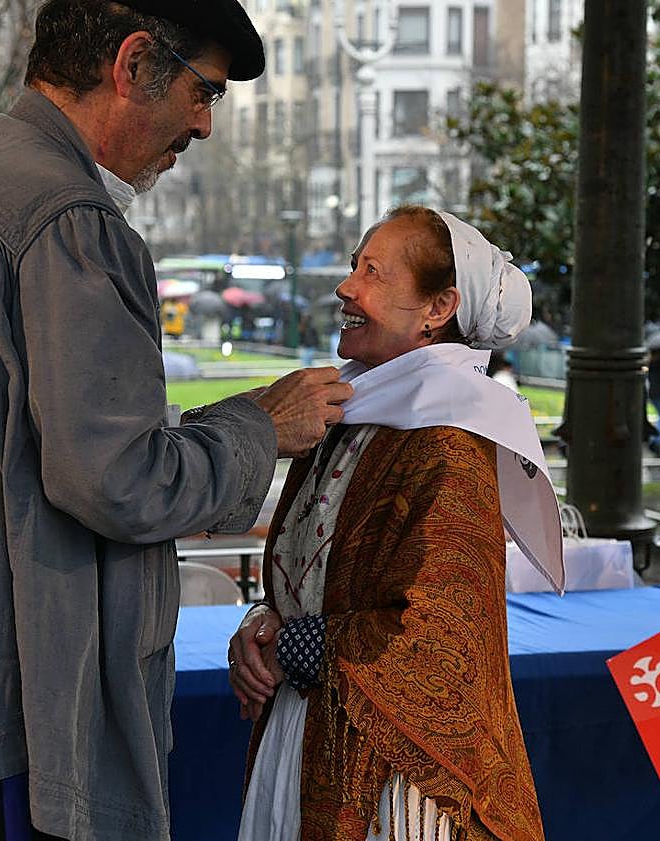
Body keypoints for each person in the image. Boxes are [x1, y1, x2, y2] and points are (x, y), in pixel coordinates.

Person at [0, 3, 353, 840]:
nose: (205, 125)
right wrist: (257, 424)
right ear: (134, 63)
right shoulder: (66, 218)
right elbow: (119, 479)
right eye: (203, 90)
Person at [228, 205, 556, 841]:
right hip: (306, 734)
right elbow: (308, 579)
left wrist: (289, 645)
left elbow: (436, 644)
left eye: (373, 273)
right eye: (354, 266)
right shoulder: (346, 410)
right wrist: (261, 622)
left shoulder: (450, 442)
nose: (346, 288)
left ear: (438, 308)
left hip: (393, 779)